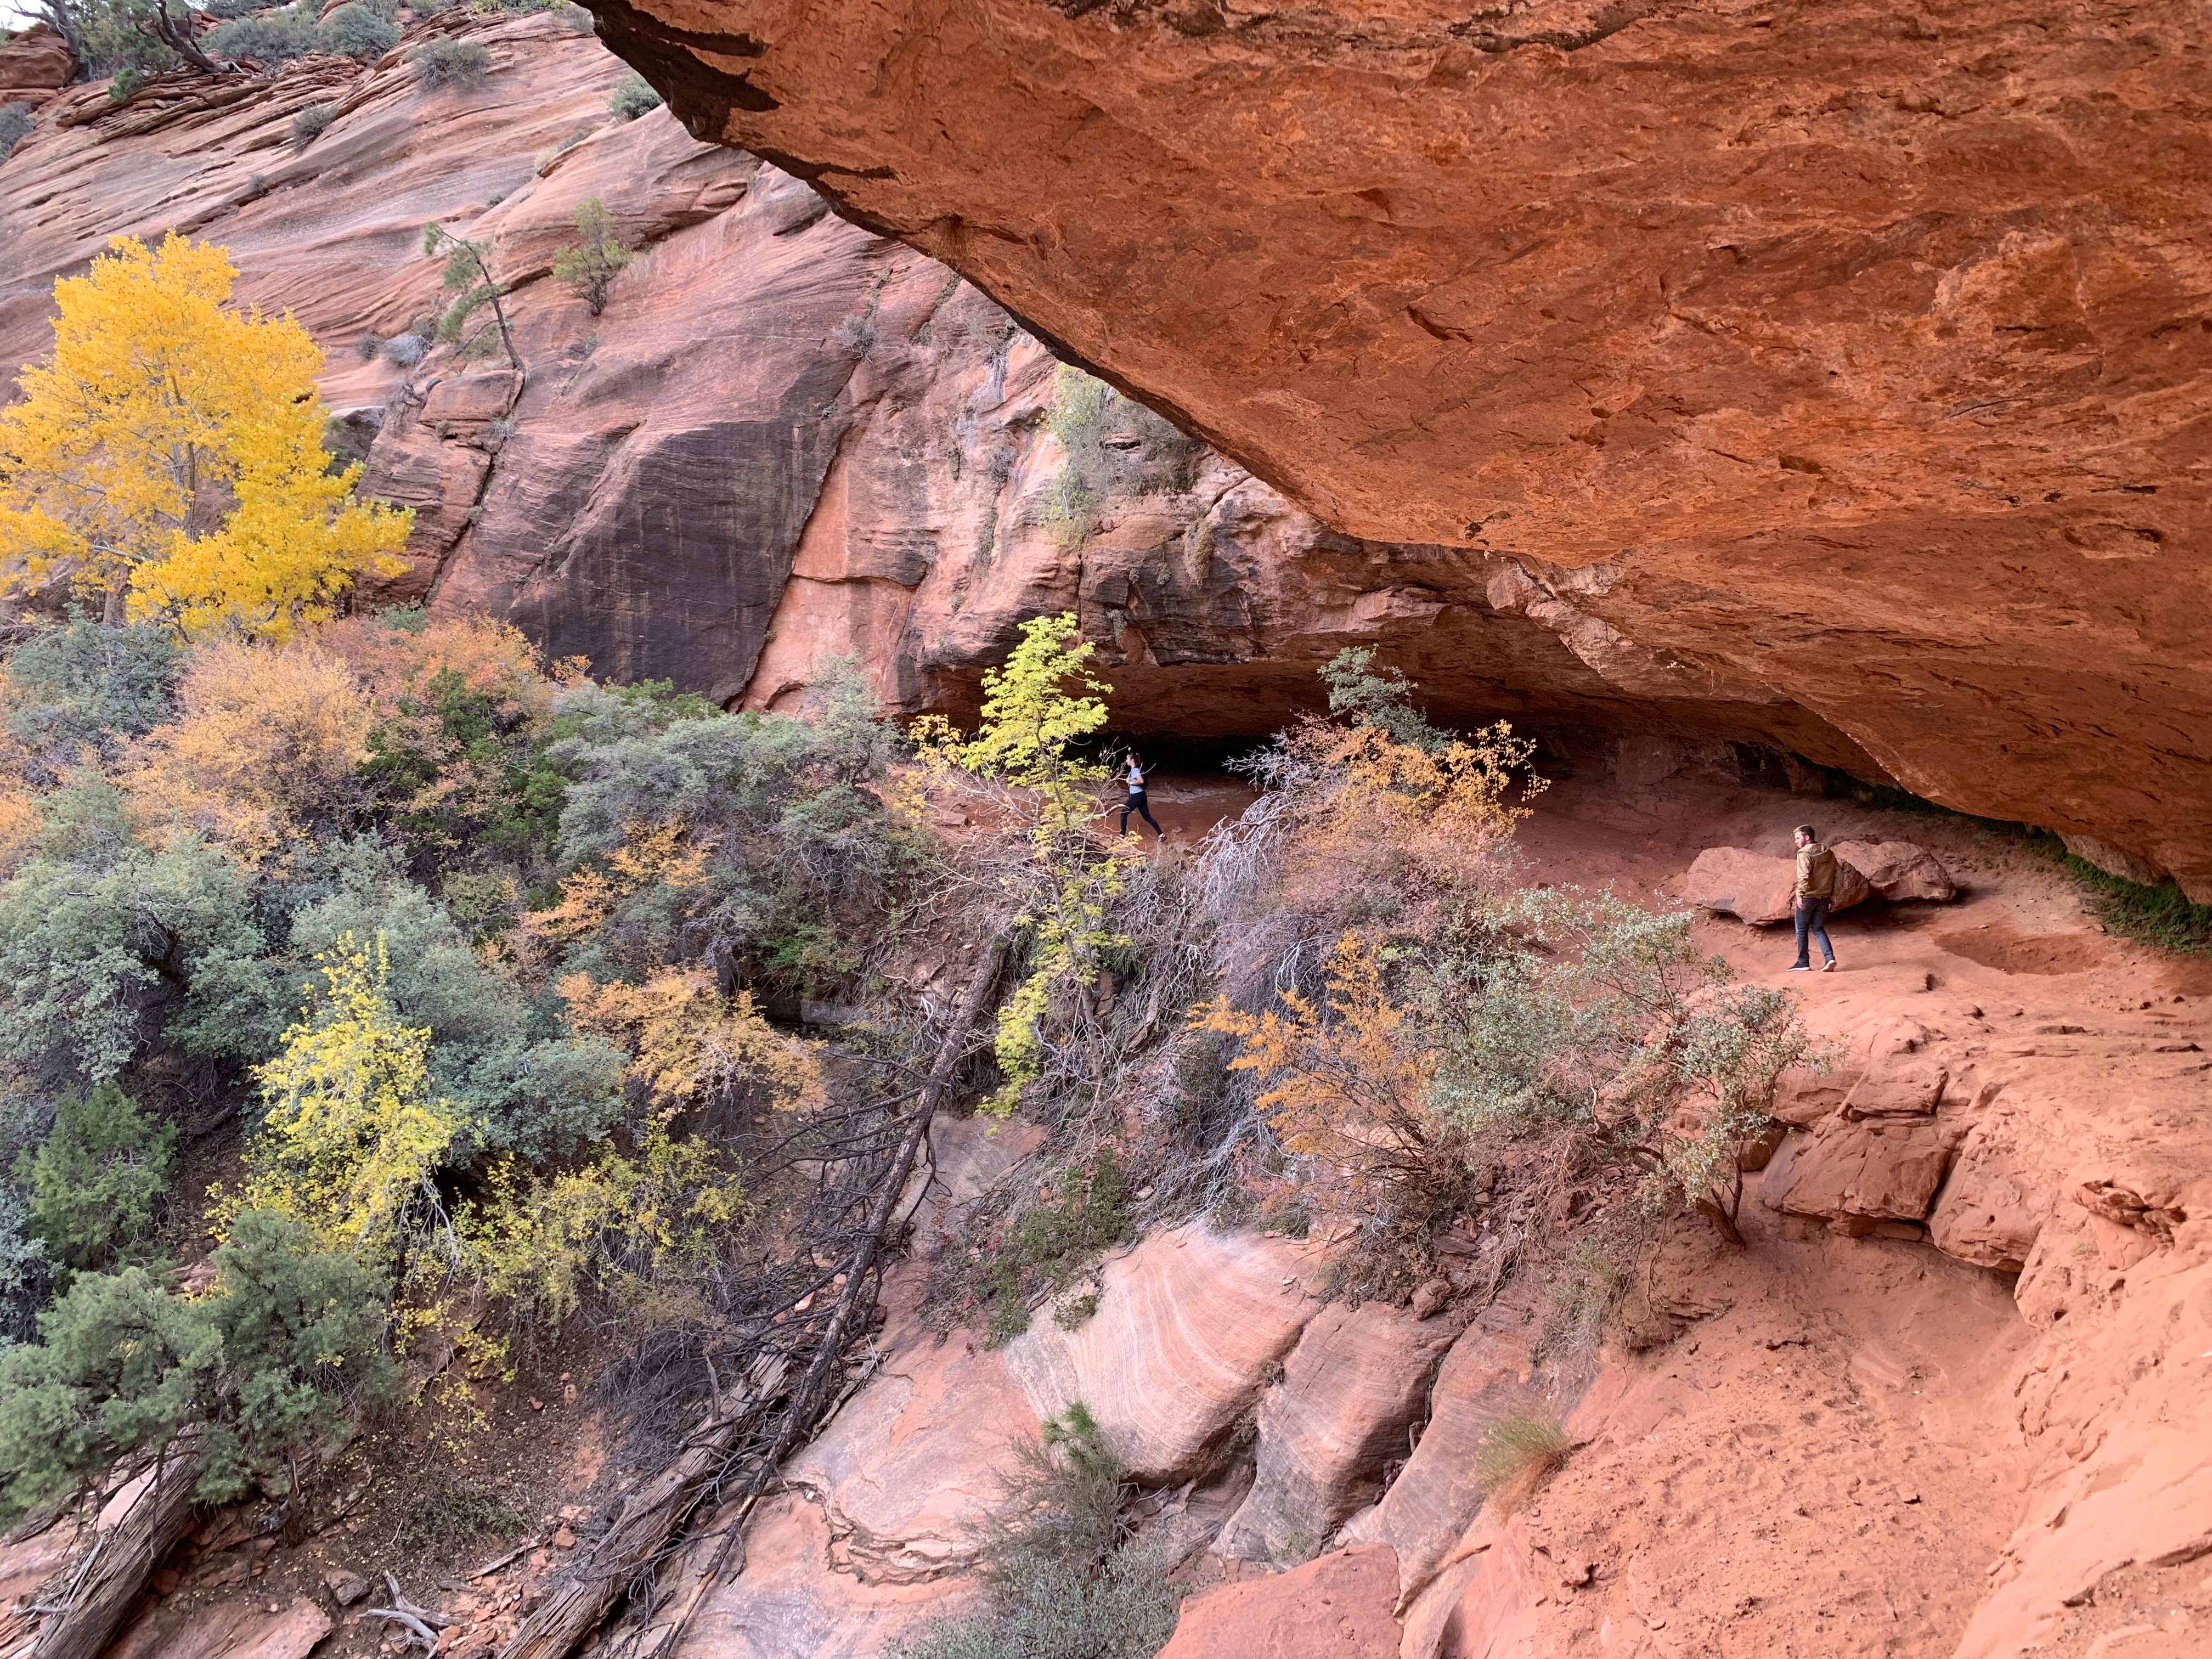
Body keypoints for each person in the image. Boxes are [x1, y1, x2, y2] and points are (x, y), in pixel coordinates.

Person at [1790, 823, 1839, 972]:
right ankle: (1830, 958)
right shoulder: (1828, 852)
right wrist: (1833, 895)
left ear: (1807, 837)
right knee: (1818, 929)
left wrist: (1800, 895)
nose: (1796, 841)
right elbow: (1836, 875)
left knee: (1801, 929)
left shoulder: (1804, 853)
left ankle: (1803, 962)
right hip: (1824, 896)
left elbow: (1803, 877)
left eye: (1798, 838)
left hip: (1809, 897)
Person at [1118, 750, 1164, 840]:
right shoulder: (1135, 770)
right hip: (1142, 795)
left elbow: (1141, 781)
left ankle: (1121, 836)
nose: (1126, 760)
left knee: (1123, 814)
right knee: (1147, 817)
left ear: (1132, 760)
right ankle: (1161, 835)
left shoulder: (1135, 770)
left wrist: (1130, 782)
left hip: (1137, 796)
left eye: (1127, 759)